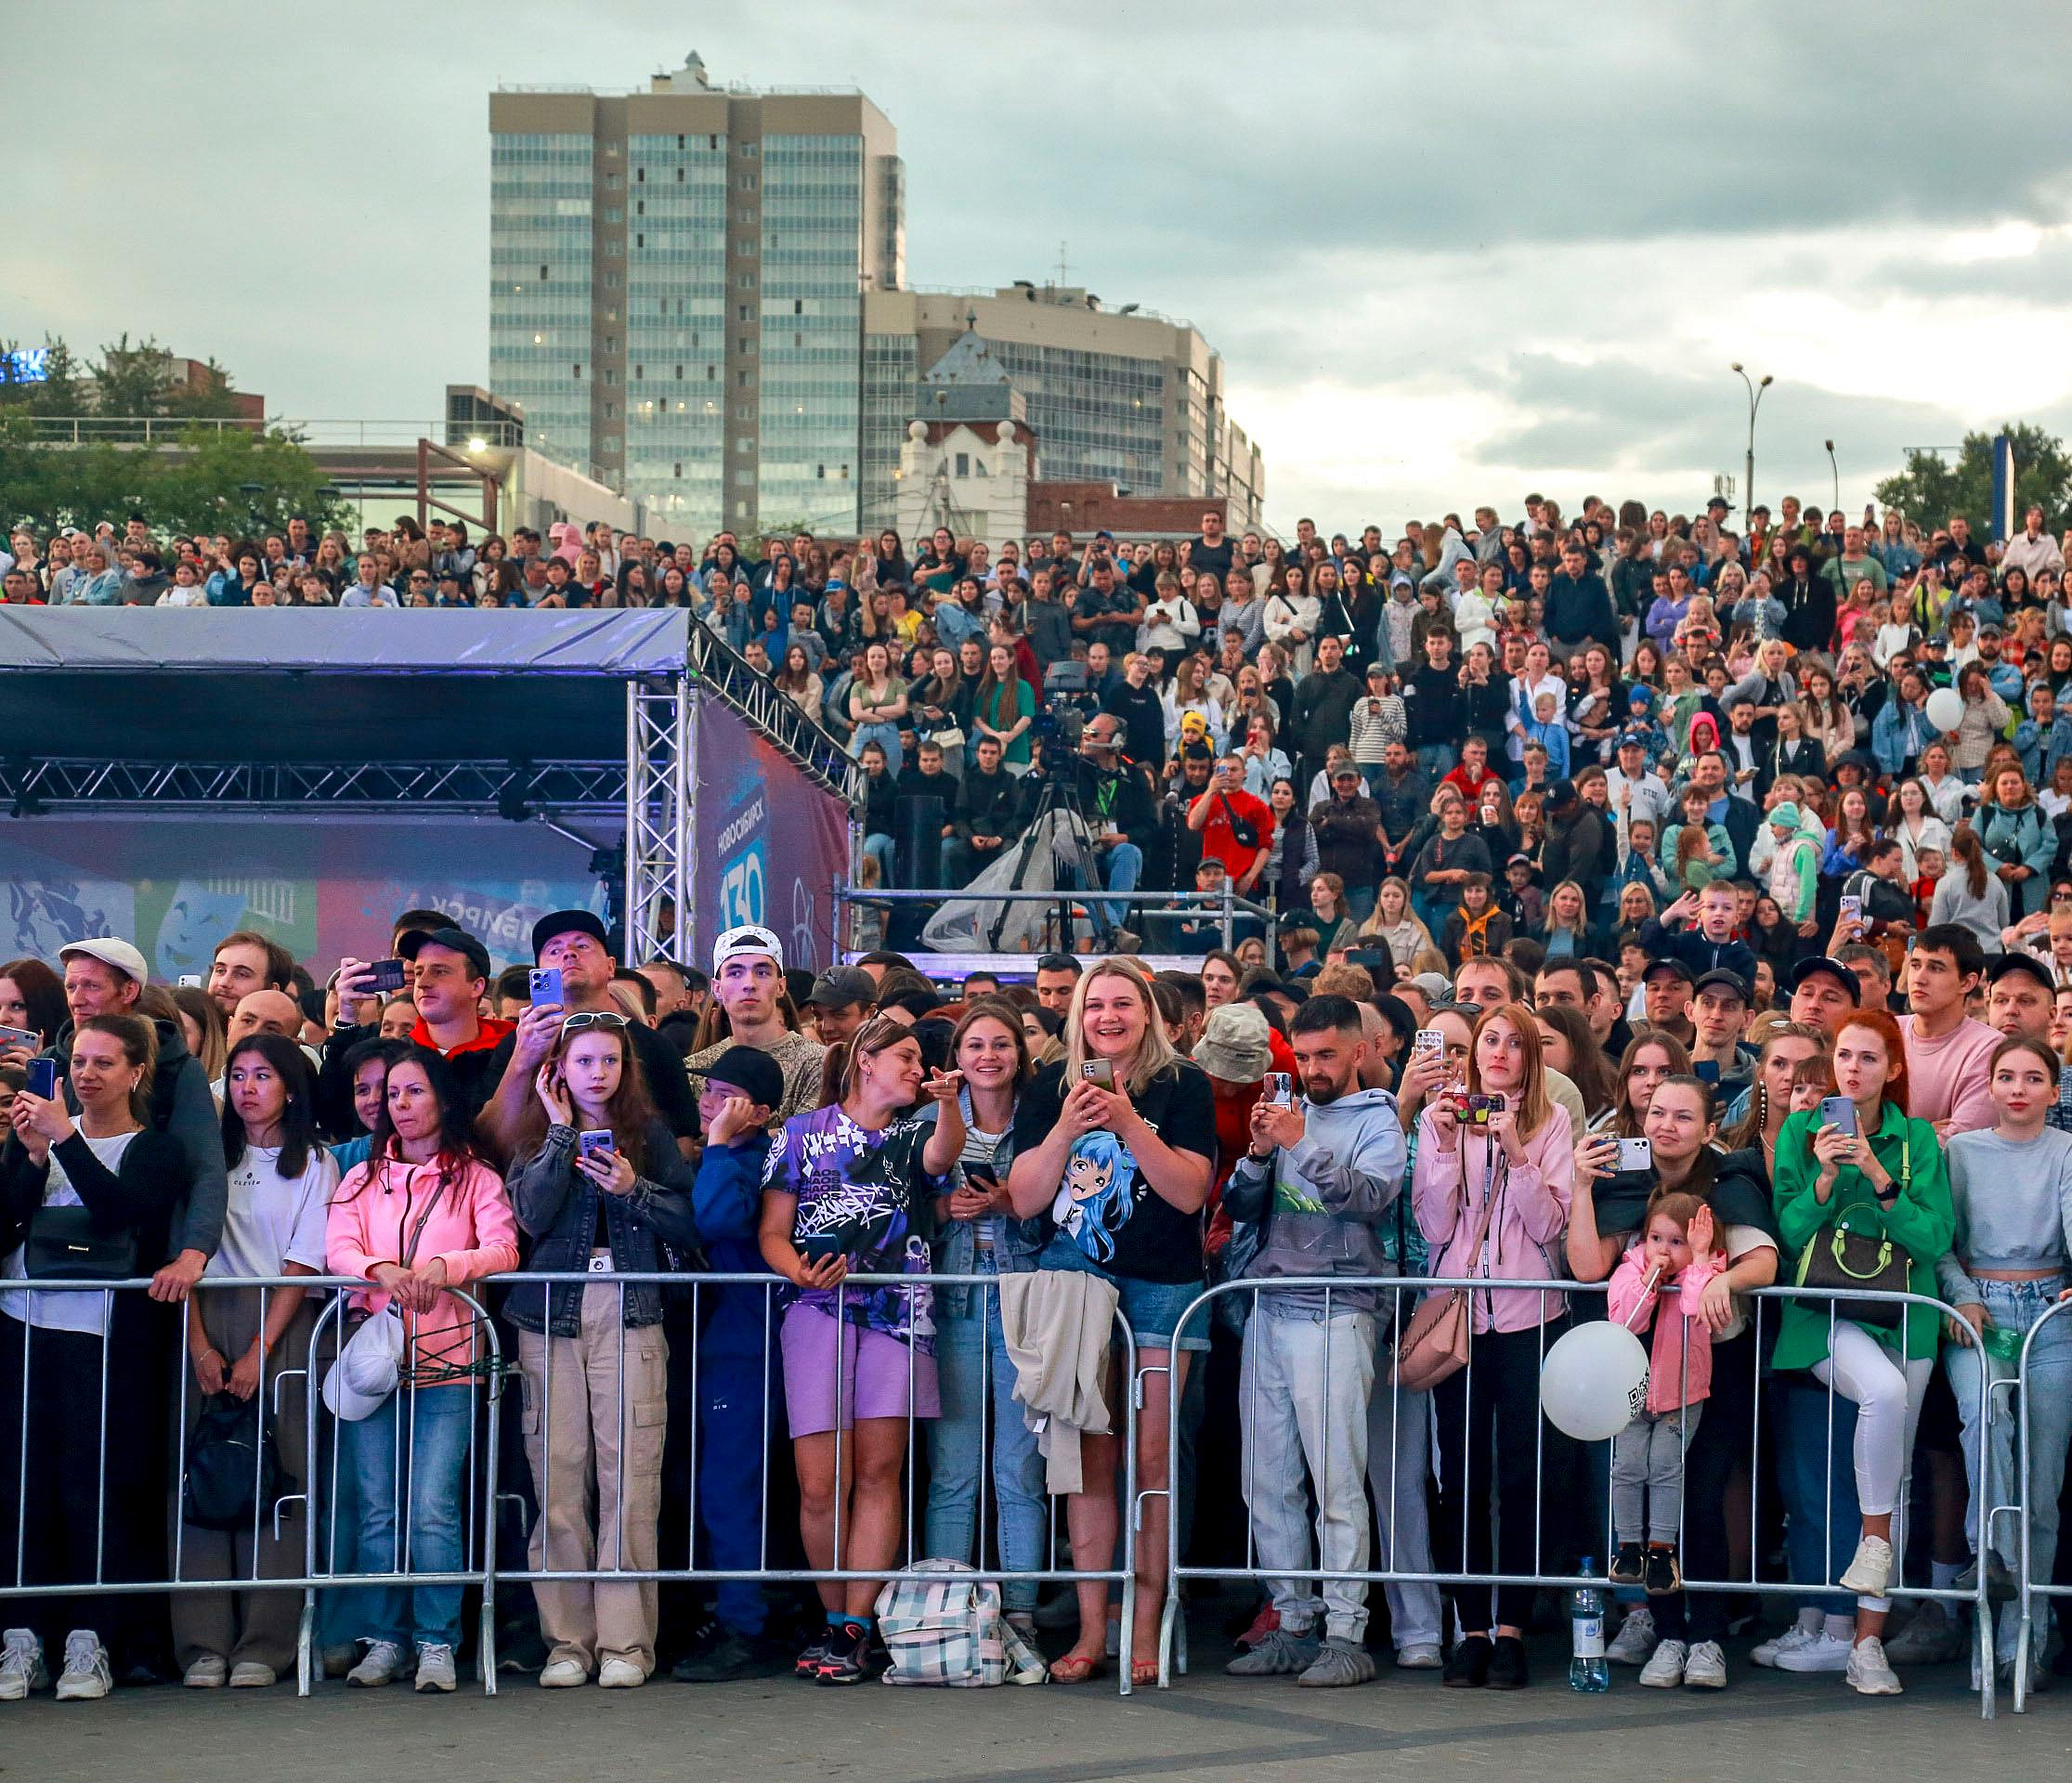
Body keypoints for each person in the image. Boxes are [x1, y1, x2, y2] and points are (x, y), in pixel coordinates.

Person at [1007, 959, 1216, 1687]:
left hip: (1162, 1289)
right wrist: (1064, 1128)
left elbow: (1191, 1193)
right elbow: (1025, 1198)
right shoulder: (1050, 1083)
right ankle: (1094, 1630)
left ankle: (1146, 1623)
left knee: (1150, 1466)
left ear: (1148, 1012)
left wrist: (1128, 1120)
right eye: (1095, 1005)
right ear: (1077, 1015)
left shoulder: (1182, 1082)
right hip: (1076, 1288)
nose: (1107, 1016)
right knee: (1088, 1464)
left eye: (1122, 1003)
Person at [504, 1011, 700, 1689]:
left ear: (625, 1069)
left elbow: (689, 1217)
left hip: (631, 1310)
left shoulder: (646, 1134)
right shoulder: (534, 1134)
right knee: (557, 1477)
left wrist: (632, 1188)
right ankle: (568, 1642)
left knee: (629, 1481)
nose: (596, 1073)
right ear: (560, 1068)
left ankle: (625, 1645)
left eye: (608, 1061)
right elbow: (529, 1215)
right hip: (549, 1316)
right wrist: (561, 1134)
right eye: (583, 1061)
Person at [760, 1018, 958, 1685]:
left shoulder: (916, 1132)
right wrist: (796, 1270)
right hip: (816, 1310)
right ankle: (831, 1613)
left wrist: (949, 1101)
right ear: (864, 1062)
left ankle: (855, 1625)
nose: (914, 1067)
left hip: (898, 1314)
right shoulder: (800, 1133)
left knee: (879, 1472)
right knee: (820, 1484)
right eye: (904, 1056)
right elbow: (772, 1229)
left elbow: (941, 1157)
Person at [0, 1014, 188, 1700]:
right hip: (23, 1322)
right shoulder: (39, 1138)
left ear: (137, 1072)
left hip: (103, 1336)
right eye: (80, 1060)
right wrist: (27, 1159)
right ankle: (21, 1639)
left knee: (91, 1486)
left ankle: (91, 1639)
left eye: (105, 1063)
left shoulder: (154, 1148)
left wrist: (65, 1140)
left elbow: (121, 1216)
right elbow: (4, 1224)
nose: (86, 1073)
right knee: (22, 1487)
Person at [1770, 1008, 1955, 1697]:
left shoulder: (1914, 1140)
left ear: (1893, 1068)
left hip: (1903, 1316)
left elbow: (1935, 1238)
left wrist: (1879, 1176)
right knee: (1881, 1393)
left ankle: (1865, 1646)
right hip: (1821, 1315)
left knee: (1898, 1472)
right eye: (1844, 1055)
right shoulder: (1800, 1128)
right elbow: (1789, 1235)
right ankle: (1873, 1547)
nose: (1852, 1068)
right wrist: (1821, 1181)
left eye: (1868, 1058)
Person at [1223, 995, 1406, 1689]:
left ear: (1358, 1051)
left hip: (1338, 1310)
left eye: (1325, 1055)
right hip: (1268, 1308)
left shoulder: (1379, 1119)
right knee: (1265, 1481)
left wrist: (1300, 1141)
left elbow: (1370, 1198)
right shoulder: (1282, 1114)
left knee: (1335, 1482)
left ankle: (1344, 1632)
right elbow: (1239, 1207)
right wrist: (1258, 1154)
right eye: (1302, 1057)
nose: (1312, 1068)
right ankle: (1292, 1622)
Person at [325, 1047, 520, 1693]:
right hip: (375, 1358)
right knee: (378, 1507)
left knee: (432, 1505)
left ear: (440, 1098)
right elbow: (338, 1246)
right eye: (392, 1096)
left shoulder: (477, 1177)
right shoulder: (360, 1177)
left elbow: (503, 1246)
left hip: (450, 1361)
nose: (399, 1106)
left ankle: (437, 1641)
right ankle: (384, 1639)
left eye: (413, 1092)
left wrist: (449, 1267)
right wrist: (379, 1271)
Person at [1414, 1000, 1573, 1690]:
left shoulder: (1552, 1121)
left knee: (1521, 1477)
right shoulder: (1437, 1117)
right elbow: (1431, 1222)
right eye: (1488, 1041)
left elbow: (1549, 1228)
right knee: (1461, 1480)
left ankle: (1511, 1628)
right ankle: (1469, 1628)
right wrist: (1448, 1145)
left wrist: (1514, 1150)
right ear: (1470, 1052)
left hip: (1528, 1315)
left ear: (1530, 1059)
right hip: (1460, 1316)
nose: (1499, 1052)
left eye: (1513, 1043)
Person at [173, 1035, 335, 1690]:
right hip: (204, 1313)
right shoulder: (204, 1157)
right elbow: (179, 1251)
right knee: (202, 1474)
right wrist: (200, 1346)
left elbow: (301, 1265)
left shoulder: (314, 1163)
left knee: (277, 1480)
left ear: (290, 1087)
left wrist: (257, 1352)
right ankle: (201, 1641)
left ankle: (264, 1643)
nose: (245, 1088)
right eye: (236, 1075)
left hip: (281, 1322)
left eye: (261, 1075)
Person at [1939, 1035, 2072, 1688]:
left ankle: (2030, 1639)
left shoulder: (2067, 1151)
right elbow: (1941, 1241)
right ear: (1988, 1086)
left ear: (2053, 1090)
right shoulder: (1960, 1151)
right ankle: (1986, 1566)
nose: (2017, 1088)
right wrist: (1963, 1299)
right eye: (2005, 1076)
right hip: (1982, 1312)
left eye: (2032, 1078)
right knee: (1984, 1417)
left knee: (2041, 1481)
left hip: (2052, 1312)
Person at [919, 1001, 1047, 1637]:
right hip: (956, 1301)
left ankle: (1019, 1611)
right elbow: (906, 1211)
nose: (988, 1056)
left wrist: (1009, 1201)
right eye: (974, 1046)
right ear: (957, 1058)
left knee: (1019, 1467)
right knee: (953, 1467)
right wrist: (946, 1213)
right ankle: (944, 1608)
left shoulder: (1043, 1117)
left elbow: (1063, 1209)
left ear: (1019, 1055)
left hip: (1026, 1301)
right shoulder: (928, 1119)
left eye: (1001, 1044)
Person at [479, 911, 702, 1162]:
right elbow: (488, 1143)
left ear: (610, 967)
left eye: (583, 945)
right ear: (540, 975)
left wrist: (642, 1193)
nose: (569, 954)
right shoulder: (519, 1043)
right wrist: (523, 1058)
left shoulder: (652, 1044)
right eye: (554, 950)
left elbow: (682, 1144)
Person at [1606, 1192, 1726, 1596]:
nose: (1664, 1250)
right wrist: (1648, 1283)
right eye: (1657, 1238)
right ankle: (1627, 1547)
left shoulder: (1707, 1269)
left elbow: (1695, 1308)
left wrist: (1700, 1258)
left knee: (1664, 1467)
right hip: (1631, 1390)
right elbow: (1627, 1320)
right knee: (1627, 1466)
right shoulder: (1629, 1269)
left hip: (1681, 1393)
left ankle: (1661, 1550)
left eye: (1677, 1242)